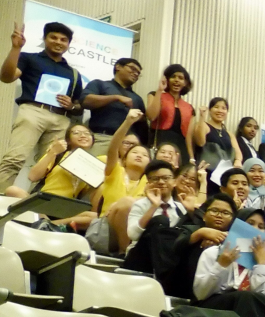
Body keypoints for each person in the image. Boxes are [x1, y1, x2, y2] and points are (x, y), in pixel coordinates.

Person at [0, 22, 85, 190]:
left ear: (68, 44)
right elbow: (6, 77)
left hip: (61, 119)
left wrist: (71, 106)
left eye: (64, 39)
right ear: (45, 39)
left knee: (50, 166)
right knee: (14, 158)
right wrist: (16, 48)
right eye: (53, 37)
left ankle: (34, 209)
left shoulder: (73, 72)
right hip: (33, 112)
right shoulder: (29, 58)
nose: (58, 42)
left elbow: (79, 104)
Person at [87, 109, 150, 255]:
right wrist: (128, 122)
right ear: (124, 159)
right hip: (106, 229)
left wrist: (120, 203)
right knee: (127, 203)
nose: (139, 156)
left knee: (128, 204)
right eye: (134, 153)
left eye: (145, 155)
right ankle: (125, 253)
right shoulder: (115, 171)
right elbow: (113, 147)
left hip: (136, 228)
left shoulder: (150, 182)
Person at [80, 57, 144, 156]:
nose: (136, 74)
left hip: (127, 145)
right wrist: (115, 97)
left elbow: (142, 127)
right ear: (118, 67)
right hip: (102, 138)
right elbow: (85, 101)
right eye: (132, 68)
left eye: (138, 73)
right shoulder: (100, 84)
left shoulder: (137, 98)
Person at [145, 64, 194, 166]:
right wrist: (159, 90)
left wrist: (191, 158)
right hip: (160, 141)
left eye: (180, 78)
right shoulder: (155, 95)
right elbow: (151, 116)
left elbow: (188, 137)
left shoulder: (189, 107)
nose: (176, 80)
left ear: (185, 83)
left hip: (180, 147)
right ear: (166, 79)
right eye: (173, 77)